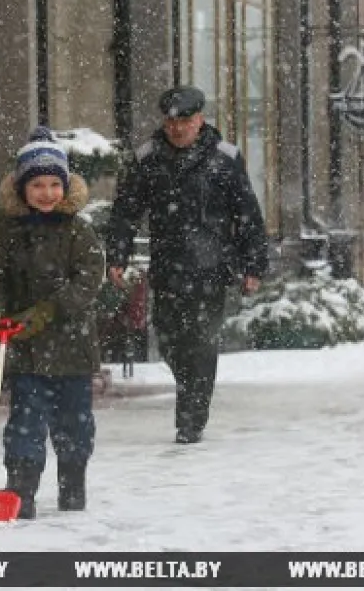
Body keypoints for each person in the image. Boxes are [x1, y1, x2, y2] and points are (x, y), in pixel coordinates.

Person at [105, 86, 268, 445]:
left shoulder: (224, 158)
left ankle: (191, 417)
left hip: (212, 266)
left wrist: (254, 264)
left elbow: (248, 214)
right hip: (168, 266)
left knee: (202, 340)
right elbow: (126, 212)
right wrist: (117, 255)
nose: (177, 129)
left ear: (200, 120)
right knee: (168, 339)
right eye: (171, 122)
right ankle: (190, 389)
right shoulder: (147, 158)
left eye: (185, 121)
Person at [0, 127, 106, 520]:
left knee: (74, 424)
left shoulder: (78, 231)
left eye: (55, 184)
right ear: (22, 188)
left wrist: (48, 311)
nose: (47, 193)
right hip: (26, 350)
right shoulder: (5, 233)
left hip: (72, 346)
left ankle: (72, 483)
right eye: (38, 185)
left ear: (66, 188)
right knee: (25, 423)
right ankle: (22, 490)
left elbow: (87, 281)